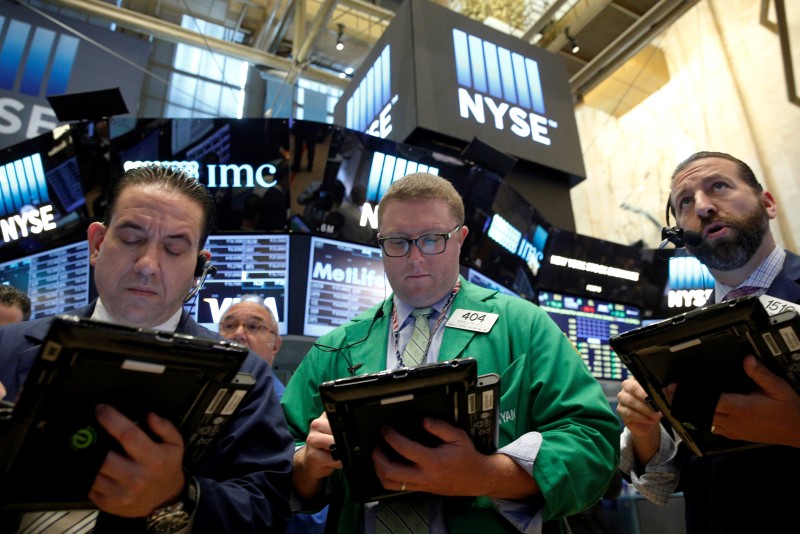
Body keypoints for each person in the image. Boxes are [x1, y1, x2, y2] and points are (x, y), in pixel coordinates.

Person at [281, 172, 620, 533]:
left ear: (460, 239)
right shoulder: (337, 346)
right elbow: (273, 463)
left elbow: (593, 442)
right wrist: (308, 465)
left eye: (432, 240)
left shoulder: (522, 325)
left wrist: (484, 476)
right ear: (381, 244)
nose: (415, 258)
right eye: (398, 242)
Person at [0, 165, 293, 533]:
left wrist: (177, 494)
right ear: (97, 244)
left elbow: (267, 511)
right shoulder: (7, 349)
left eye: (173, 249)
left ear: (198, 268)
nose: (147, 266)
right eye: (131, 238)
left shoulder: (245, 374)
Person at [617, 151, 800, 532]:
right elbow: (663, 483)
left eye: (718, 186)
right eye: (685, 202)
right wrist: (644, 429)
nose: (702, 206)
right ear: (683, 240)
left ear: (767, 203)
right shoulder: (679, 338)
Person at [219, 296, 329, 534]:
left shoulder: (303, 412)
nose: (238, 334)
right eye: (229, 325)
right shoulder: (198, 402)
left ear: (275, 344)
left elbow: (316, 519)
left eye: (253, 326)